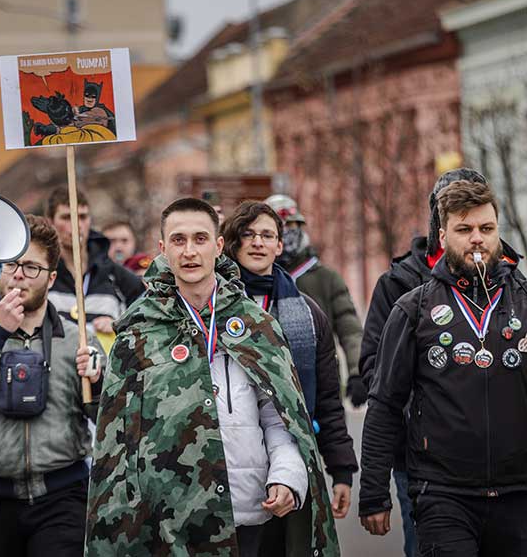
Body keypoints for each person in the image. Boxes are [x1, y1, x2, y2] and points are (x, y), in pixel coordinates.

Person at [358, 179, 527, 557]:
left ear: (498, 232)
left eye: (486, 229)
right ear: (443, 234)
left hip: (514, 492)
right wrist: (373, 492)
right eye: (464, 229)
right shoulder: (413, 309)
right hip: (441, 493)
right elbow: (384, 403)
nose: (476, 239)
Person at [86, 198, 339, 557]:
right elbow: (118, 441)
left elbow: (280, 417)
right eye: (178, 240)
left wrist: (286, 475)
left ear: (219, 246)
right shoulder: (137, 330)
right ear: (163, 248)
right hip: (166, 521)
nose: (189, 251)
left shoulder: (255, 324)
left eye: (200, 238)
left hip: (244, 510)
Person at [221, 201, 357, 557]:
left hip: (292, 462)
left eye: (267, 235)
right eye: (248, 235)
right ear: (232, 243)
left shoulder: (308, 314)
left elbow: (328, 399)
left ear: (279, 246)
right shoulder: (211, 308)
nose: (258, 243)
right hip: (228, 467)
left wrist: (340, 468)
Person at [0, 215, 101, 557]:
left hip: (61, 495)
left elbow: (103, 417)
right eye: (10, 264)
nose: (19, 274)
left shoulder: (78, 337)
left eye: (31, 267)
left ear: (52, 278)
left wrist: (97, 384)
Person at [265, 194, 365, 407]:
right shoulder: (253, 279)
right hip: (270, 383)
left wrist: (357, 372)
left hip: (321, 382)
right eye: (280, 226)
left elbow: (350, 329)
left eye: (292, 224)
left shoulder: (326, 278)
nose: (288, 231)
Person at [45, 186, 144, 335]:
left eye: (83, 217)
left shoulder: (114, 274)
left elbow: (147, 319)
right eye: (67, 217)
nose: (77, 224)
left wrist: (120, 325)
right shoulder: (42, 273)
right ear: (51, 222)